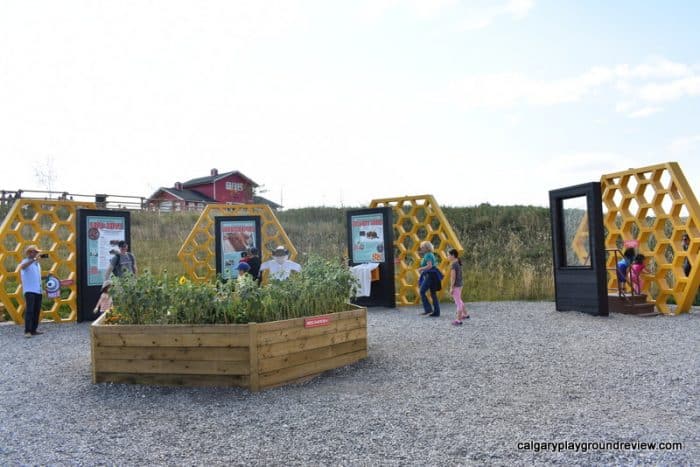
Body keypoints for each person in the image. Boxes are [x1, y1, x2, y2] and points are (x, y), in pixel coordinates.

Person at [17, 245, 44, 338]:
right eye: (35, 252)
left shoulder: (37, 264)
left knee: (36, 311)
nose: (37, 253)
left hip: (38, 290)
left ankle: (33, 330)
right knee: (30, 311)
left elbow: (37, 277)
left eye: (37, 252)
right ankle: (27, 331)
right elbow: (22, 267)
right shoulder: (25, 262)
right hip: (29, 290)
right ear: (29, 252)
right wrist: (33, 260)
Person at [418, 241, 443, 317]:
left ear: (427, 248)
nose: (421, 248)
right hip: (433, 275)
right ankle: (436, 312)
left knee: (422, 291)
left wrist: (421, 269)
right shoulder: (430, 254)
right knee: (433, 293)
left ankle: (428, 310)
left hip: (430, 275)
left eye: (422, 247)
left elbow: (429, 266)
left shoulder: (428, 255)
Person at [448, 249, 469, 325]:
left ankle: (458, 320)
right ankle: (465, 314)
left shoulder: (453, 265)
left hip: (456, 285)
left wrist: (451, 287)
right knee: (459, 300)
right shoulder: (458, 263)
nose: (448, 257)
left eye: (449, 255)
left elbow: (453, 278)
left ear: (453, 255)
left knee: (458, 303)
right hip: (460, 284)